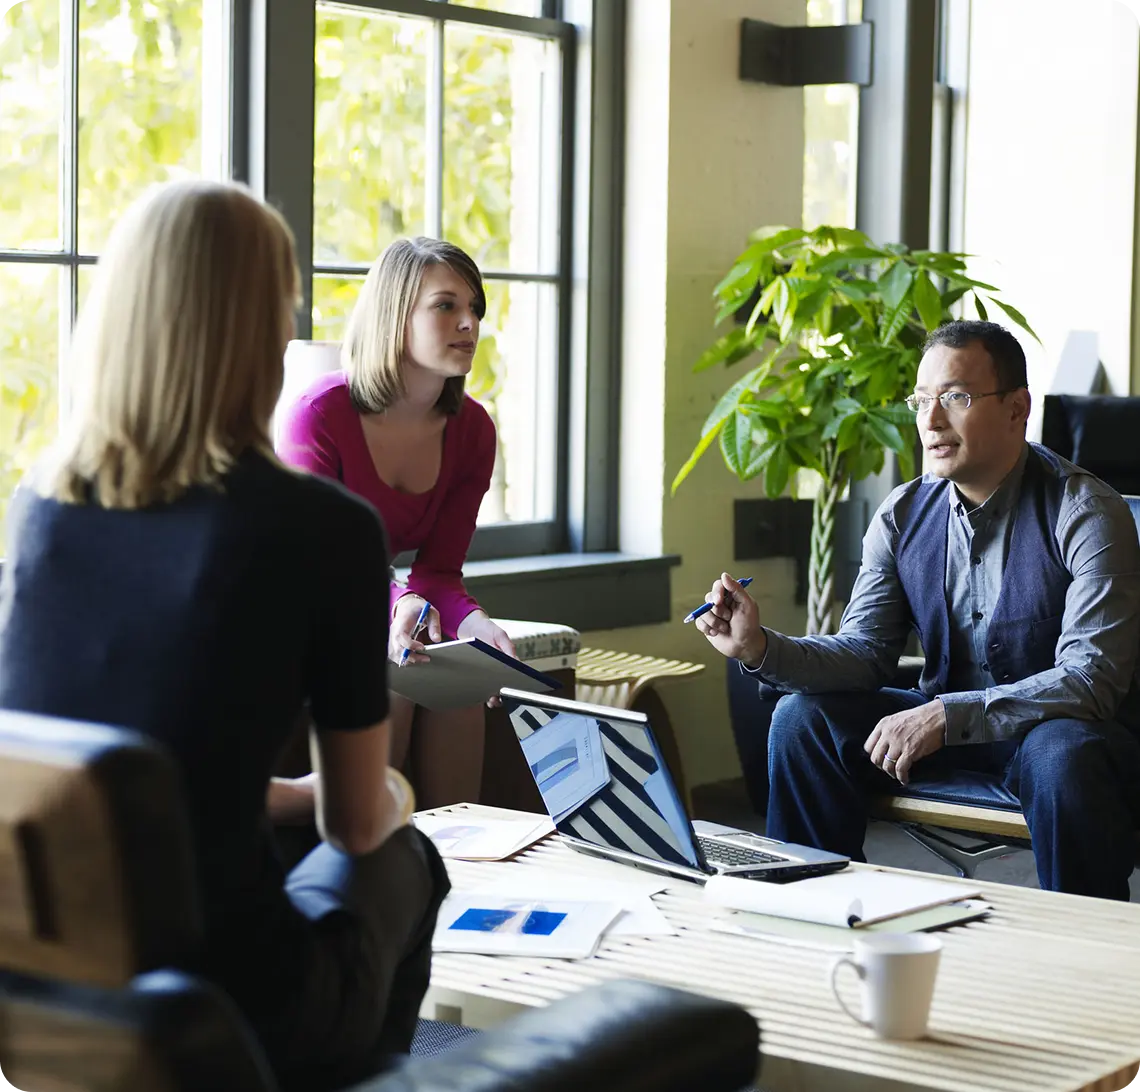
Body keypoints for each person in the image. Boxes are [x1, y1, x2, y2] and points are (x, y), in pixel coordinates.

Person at [0, 180, 449, 1090]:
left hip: (61, 984)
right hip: (237, 1003)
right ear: (260, 332)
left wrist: (285, 796)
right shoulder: (320, 528)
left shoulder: (42, 508)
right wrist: (395, 792)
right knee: (409, 857)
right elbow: (357, 825)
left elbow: (139, 773)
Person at [695, 320, 1140, 901]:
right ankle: (810, 909)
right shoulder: (903, 513)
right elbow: (864, 652)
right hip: (949, 736)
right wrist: (758, 647)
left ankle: (1079, 951)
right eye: (921, 400)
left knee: (1061, 751)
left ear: (1016, 409)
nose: (930, 421)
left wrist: (944, 716)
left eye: (955, 397)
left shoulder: (1087, 512)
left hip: (1067, 741)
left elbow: (1091, 681)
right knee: (802, 720)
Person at [277, 236, 515, 810]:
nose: (469, 323)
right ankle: (365, 860)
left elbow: (439, 575)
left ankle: (455, 865)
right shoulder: (318, 416)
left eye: (475, 308)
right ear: (394, 315)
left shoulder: (473, 430)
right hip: (293, 611)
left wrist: (478, 626)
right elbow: (319, 568)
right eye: (446, 305)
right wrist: (399, 606)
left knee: (458, 679)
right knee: (394, 675)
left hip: (369, 608)